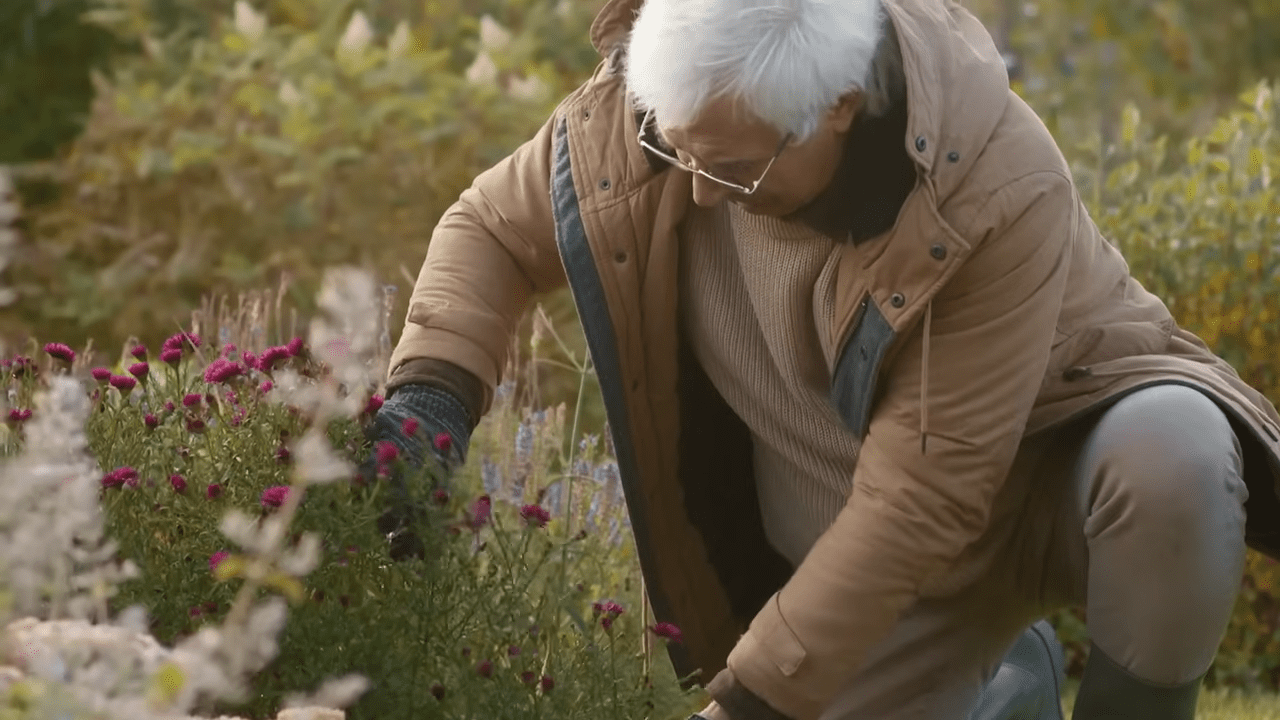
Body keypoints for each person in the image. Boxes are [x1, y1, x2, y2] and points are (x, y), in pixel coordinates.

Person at [369, 0, 1280, 716]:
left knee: (1178, 456)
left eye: (732, 167)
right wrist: (429, 401)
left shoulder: (990, 182)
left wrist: (753, 704)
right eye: (674, 148)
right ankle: (1004, 691)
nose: (695, 191)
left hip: (1033, 485)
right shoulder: (659, 111)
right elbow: (491, 229)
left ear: (838, 106)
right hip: (847, 539)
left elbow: (922, 498)